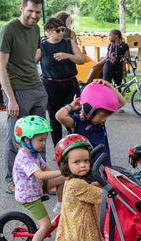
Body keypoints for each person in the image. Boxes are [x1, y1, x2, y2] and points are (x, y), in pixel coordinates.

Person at [0, 0, 49, 195]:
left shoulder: (36, 29)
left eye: (38, 12)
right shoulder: (8, 30)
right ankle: (12, 180)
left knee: (40, 137)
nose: (34, 16)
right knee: (15, 138)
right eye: (30, 11)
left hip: (37, 88)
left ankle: (41, 179)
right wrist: (10, 98)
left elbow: (35, 54)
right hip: (17, 91)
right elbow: (1, 67)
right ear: (22, 8)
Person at [53, 134, 110, 241]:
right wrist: (113, 189)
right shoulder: (78, 185)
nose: (83, 165)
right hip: (83, 237)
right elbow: (102, 195)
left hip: (67, 237)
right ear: (66, 164)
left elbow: (87, 188)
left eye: (86, 161)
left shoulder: (71, 182)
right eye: (77, 162)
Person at [13, 116, 65, 241]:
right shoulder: (24, 156)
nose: (43, 143)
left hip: (37, 185)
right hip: (29, 195)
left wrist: (63, 174)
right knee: (46, 226)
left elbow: (47, 171)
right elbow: (40, 175)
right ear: (26, 140)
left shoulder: (35, 153)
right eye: (40, 140)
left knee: (63, 179)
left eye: (44, 139)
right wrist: (63, 171)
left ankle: (60, 204)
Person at [55, 80, 126, 167]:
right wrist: (71, 106)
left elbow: (122, 102)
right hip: (86, 173)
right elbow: (59, 116)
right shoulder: (76, 123)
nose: (104, 120)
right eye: (102, 116)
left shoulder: (99, 123)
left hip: (105, 170)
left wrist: (109, 86)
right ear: (89, 110)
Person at [36, 17, 84, 147]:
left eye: (63, 29)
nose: (62, 33)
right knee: (54, 118)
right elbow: (30, 63)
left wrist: (67, 55)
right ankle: (59, 148)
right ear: (48, 31)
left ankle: (76, 145)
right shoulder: (42, 45)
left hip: (70, 84)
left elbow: (81, 60)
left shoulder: (68, 42)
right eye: (58, 30)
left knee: (74, 114)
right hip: (51, 85)